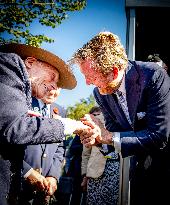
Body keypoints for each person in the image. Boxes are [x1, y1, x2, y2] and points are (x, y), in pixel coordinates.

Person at [70, 31, 170, 205]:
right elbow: (114, 133)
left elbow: (159, 136)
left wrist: (107, 136)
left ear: (114, 71)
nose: (87, 83)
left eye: (91, 77)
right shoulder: (100, 92)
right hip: (139, 171)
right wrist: (98, 138)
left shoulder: (153, 75)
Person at [0, 43, 89, 205]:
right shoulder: (7, 68)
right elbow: (14, 127)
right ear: (30, 62)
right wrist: (69, 126)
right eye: (53, 77)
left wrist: (53, 176)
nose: (55, 86)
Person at [19, 94, 66, 205]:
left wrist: (53, 176)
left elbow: (60, 147)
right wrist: (27, 172)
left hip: (44, 189)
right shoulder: (21, 102)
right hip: (17, 185)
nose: (53, 89)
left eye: (58, 85)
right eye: (51, 80)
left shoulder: (60, 110)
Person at [81, 106, 119, 205]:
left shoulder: (115, 118)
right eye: (94, 115)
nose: (97, 116)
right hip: (94, 171)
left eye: (99, 113)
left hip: (116, 170)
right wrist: (85, 175)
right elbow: (86, 154)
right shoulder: (90, 126)